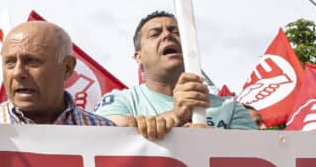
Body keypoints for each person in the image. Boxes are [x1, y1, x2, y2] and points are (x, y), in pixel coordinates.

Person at [95, 11, 256, 139]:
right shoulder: (120, 101)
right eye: (155, 34)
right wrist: (175, 117)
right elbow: (103, 137)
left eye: (176, 32)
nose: (167, 35)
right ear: (139, 57)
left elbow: (254, 159)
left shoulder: (230, 108)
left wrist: (214, 143)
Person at [0, 21, 115, 138]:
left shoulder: (109, 135)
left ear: (67, 68)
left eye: (32, 61)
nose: (18, 73)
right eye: (10, 63)